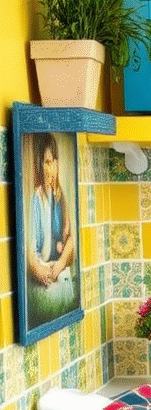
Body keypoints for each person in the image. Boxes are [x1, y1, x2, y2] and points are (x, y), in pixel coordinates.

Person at [27, 133, 76, 321]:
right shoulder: (35, 198)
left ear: (56, 164)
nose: (45, 168)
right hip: (44, 276)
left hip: (59, 272)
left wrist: (61, 262)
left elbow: (70, 237)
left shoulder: (60, 196)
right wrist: (38, 269)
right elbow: (30, 247)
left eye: (49, 162)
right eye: (42, 163)